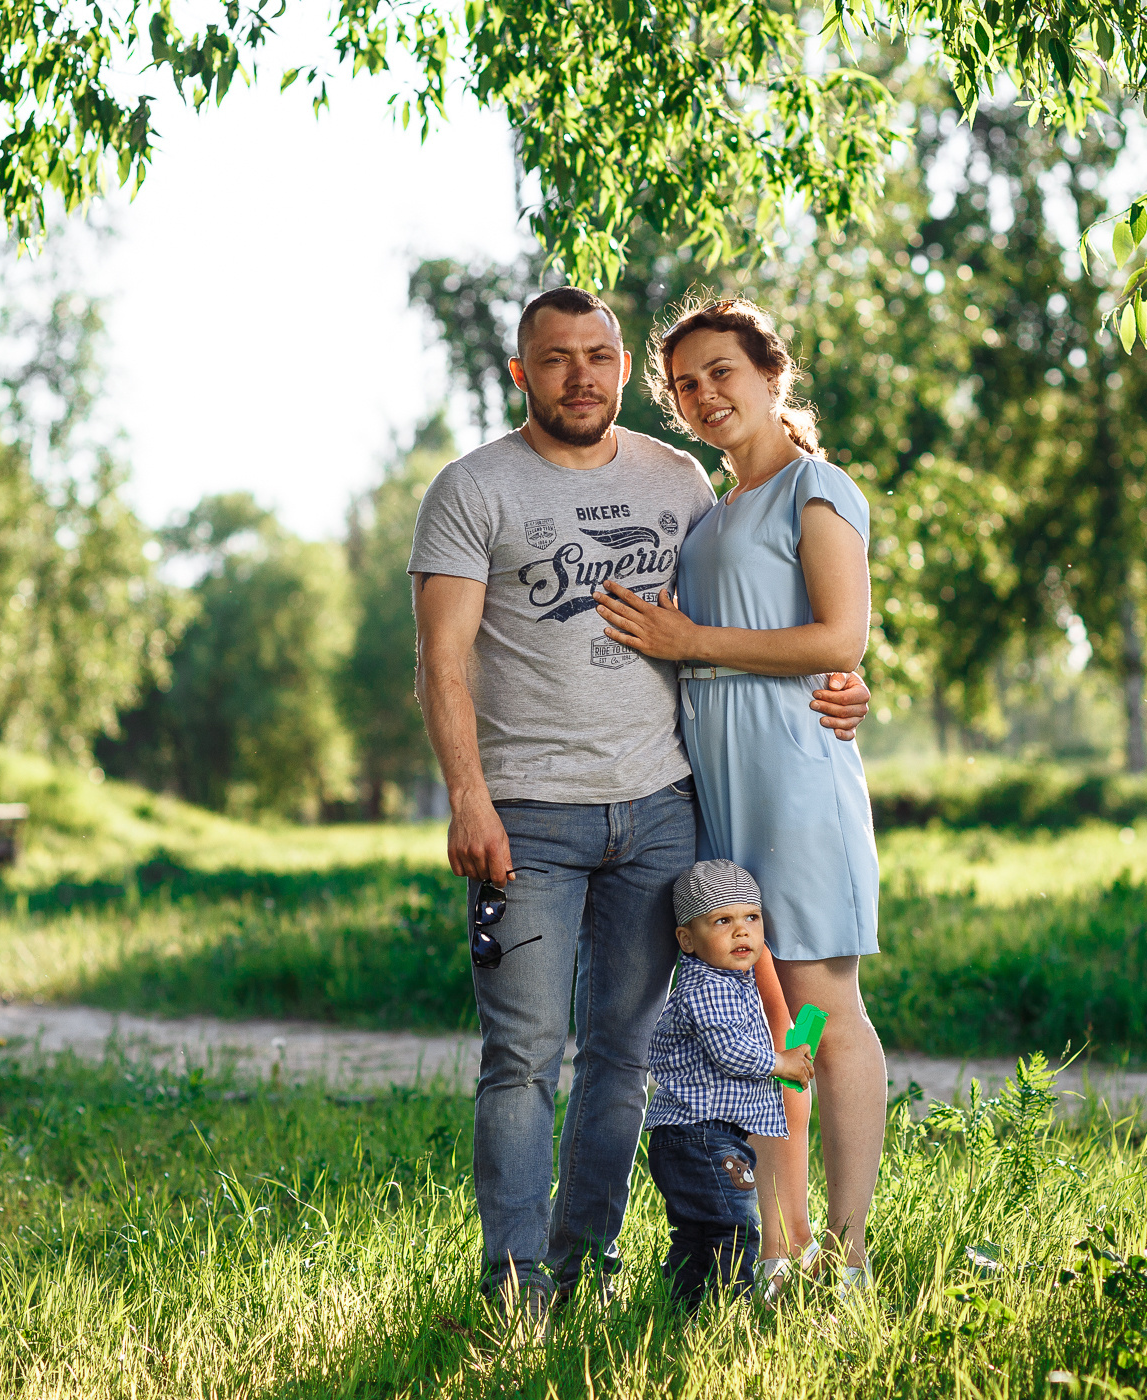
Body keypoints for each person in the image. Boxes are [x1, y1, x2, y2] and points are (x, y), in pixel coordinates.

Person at [407, 286, 870, 1329]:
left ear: (622, 370)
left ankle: (587, 1262)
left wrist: (844, 679)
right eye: (557, 357)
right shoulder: (473, 487)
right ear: (520, 374)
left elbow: (770, 606)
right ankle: (516, 1285)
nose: (581, 374)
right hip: (529, 811)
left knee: (624, 1055)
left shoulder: (681, 479)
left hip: (665, 806)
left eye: (599, 355)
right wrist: (468, 797)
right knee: (522, 1055)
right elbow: (440, 661)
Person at [594, 297, 887, 1299]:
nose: (706, 393)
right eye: (686, 384)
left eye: (723, 371)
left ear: (771, 374)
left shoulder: (817, 486)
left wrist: (694, 643)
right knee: (771, 1029)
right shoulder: (709, 516)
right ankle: (785, 1238)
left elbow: (837, 640)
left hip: (798, 785)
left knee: (820, 1007)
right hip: (724, 791)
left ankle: (849, 1254)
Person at [642, 859, 814, 1308]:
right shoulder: (707, 986)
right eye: (723, 921)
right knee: (734, 1227)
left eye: (751, 918)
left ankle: (681, 1309)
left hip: (702, 1137)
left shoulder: (733, 981)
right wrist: (782, 1064)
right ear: (687, 939)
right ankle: (726, 1314)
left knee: (700, 1232)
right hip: (700, 1137)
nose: (742, 932)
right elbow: (730, 1051)